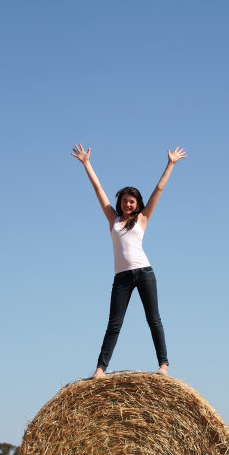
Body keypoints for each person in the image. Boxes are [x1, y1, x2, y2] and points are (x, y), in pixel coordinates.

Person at [71, 143, 187, 378]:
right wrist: (86, 163)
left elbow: (158, 190)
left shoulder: (143, 219)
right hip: (121, 277)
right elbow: (98, 189)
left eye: (132, 201)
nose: (127, 204)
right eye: (124, 200)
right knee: (114, 324)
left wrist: (170, 164)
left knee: (153, 319)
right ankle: (100, 368)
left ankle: (163, 365)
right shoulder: (112, 219)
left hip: (144, 273)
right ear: (120, 203)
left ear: (137, 204)